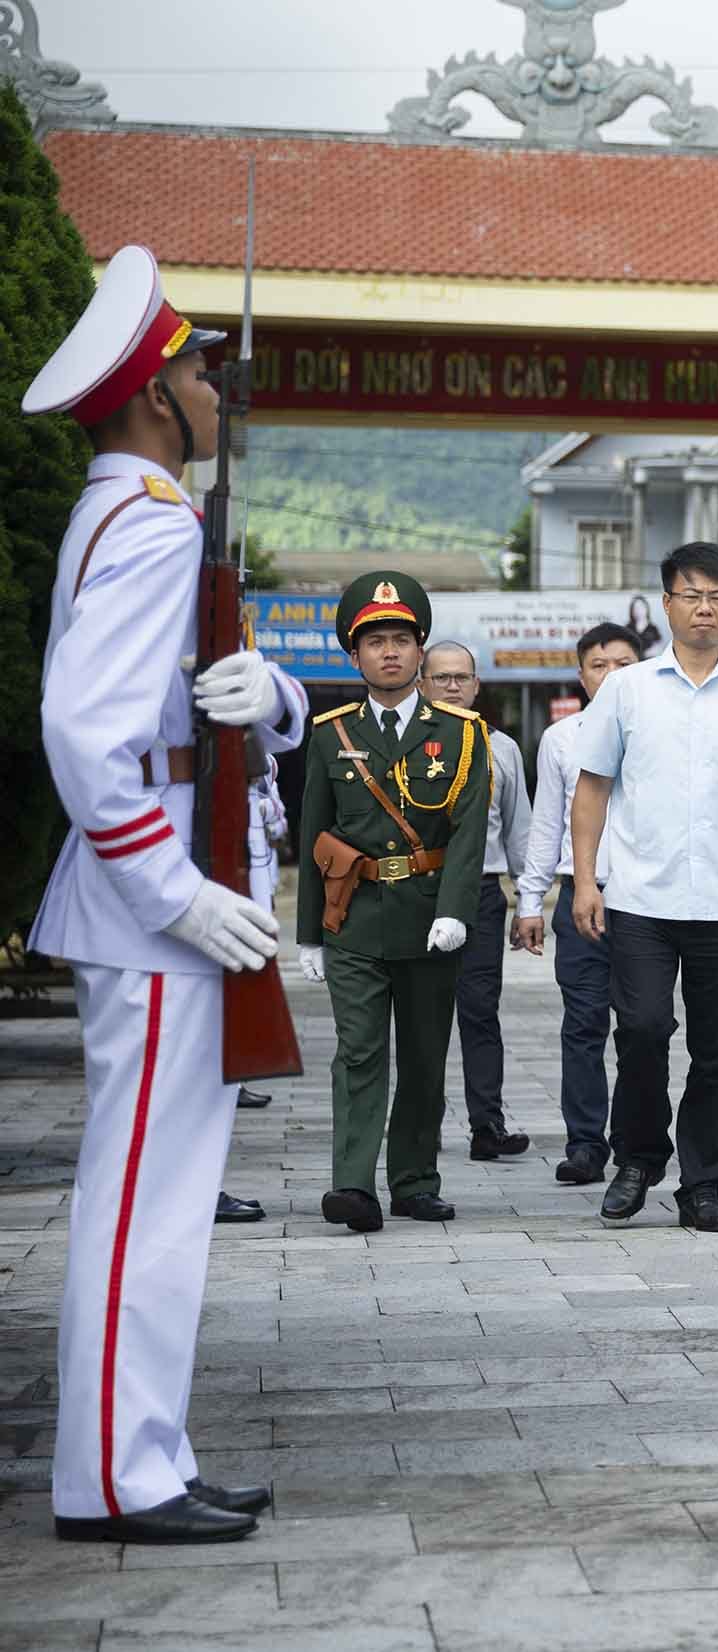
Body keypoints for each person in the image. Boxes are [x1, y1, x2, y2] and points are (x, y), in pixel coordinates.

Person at [25, 245, 308, 1542]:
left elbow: (202, 702)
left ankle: (145, 1449)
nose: (211, 388)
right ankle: (114, 1476)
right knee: (140, 1199)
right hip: (156, 915)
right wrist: (173, 892)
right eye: (196, 370)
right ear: (153, 396)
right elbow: (88, 735)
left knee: (162, 1200)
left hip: (170, 897)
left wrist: (283, 698)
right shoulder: (148, 524)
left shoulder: (135, 518)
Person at [570, 543, 718, 1235]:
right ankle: (638, 1159)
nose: (704, 607)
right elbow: (592, 788)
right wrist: (586, 878)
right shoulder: (627, 688)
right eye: (691, 594)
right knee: (641, 1030)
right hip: (641, 898)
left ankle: (703, 1185)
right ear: (668, 603)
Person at [296, 571, 489, 1234]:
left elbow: (469, 829)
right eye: (374, 641)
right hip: (352, 919)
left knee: (425, 1056)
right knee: (358, 1052)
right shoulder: (330, 733)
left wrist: (456, 910)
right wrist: (308, 935)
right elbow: (313, 835)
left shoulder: (462, 734)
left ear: (420, 649)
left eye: (401, 639)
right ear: (355, 656)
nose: (389, 652)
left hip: (430, 915)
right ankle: (352, 1184)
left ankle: (413, 1180)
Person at [511, 622, 640, 1184]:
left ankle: (638, 1139)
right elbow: (546, 826)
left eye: (623, 663)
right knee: (583, 1023)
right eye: (598, 665)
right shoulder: (561, 740)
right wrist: (530, 901)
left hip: (648, 904)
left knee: (643, 1026)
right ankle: (586, 1142)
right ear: (582, 675)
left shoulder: (663, 733)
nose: (611, 675)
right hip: (581, 896)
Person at [423, 641, 532, 1162]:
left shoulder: (501, 748)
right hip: (417, 889)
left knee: (479, 1011)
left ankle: (487, 1123)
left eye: (460, 677)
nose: (451, 686)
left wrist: (526, 901)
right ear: (422, 684)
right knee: (420, 1011)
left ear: (476, 686)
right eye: (441, 677)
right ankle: (419, 1124)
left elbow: (519, 831)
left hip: (482, 893)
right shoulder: (403, 743)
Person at [219, 756, 289, 1226]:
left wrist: (263, 808)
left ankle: (203, 1183)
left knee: (228, 1026)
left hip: (249, 893)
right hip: (205, 898)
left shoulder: (262, 761)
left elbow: (279, 820)